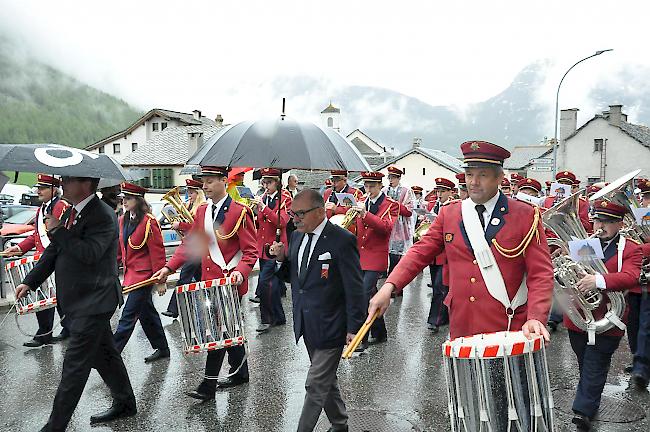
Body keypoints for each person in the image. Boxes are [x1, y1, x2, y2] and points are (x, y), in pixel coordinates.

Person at [368, 140, 554, 342]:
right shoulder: (450, 213)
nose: (473, 182)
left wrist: (536, 316)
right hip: (462, 325)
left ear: (500, 177)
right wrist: (389, 286)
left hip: (508, 327)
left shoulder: (525, 215)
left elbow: (540, 273)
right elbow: (420, 252)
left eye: (482, 175)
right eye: (469, 174)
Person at [15, 176, 135, 430]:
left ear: (86, 184)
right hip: (81, 300)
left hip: (95, 300)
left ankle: (54, 426)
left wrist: (58, 230)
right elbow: (55, 251)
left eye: (68, 181)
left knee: (74, 366)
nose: (63, 185)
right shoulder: (73, 210)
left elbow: (90, 253)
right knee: (105, 355)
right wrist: (30, 281)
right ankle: (125, 403)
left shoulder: (103, 215)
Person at [153, 166, 258, 400]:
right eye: (204, 182)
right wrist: (169, 268)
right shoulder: (202, 212)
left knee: (218, 331)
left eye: (210, 181)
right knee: (228, 327)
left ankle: (208, 386)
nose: (205, 186)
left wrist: (241, 272)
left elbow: (251, 252)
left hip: (229, 282)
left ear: (224, 181)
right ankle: (241, 373)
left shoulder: (240, 212)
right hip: (209, 282)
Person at [269, 189, 364, 432]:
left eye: (300, 213)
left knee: (314, 384)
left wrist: (355, 328)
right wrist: (281, 259)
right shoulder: (297, 237)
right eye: (292, 214)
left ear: (320, 211)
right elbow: (296, 278)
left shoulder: (341, 240)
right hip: (306, 322)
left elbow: (354, 288)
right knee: (325, 381)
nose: (295, 219)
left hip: (332, 324)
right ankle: (340, 424)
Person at [565, 200, 642, 431]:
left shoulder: (630, 248)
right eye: (598, 220)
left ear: (620, 223)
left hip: (610, 318)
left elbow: (631, 276)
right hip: (579, 317)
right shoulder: (586, 244)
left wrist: (597, 280)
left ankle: (582, 412)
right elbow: (569, 272)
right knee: (585, 363)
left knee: (595, 363)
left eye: (608, 221)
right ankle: (589, 398)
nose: (601, 225)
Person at [4, 174, 71, 347]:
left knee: (61, 299)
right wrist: (18, 248)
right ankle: (44, 333)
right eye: (38, 187)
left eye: (42, 187)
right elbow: (36, 235)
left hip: (56, 259)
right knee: (44, 299)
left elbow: (58, 234)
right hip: (45, 260)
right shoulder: (42, 208)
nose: (38, 190)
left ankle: (67, 329)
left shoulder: (61, 206)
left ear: (53, 189)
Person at [113, 182, 170, 362]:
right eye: (123, 199)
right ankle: (162, 348)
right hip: (131, 275)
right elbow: (120, 248)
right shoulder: (122, 219)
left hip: (146, 277)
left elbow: (157, 251)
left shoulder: (149, 221)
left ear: (138, 200)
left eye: (128, 199)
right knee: (147, 314)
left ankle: (111, 355)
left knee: (128, 316)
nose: (124, 202)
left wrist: (161, 280)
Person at [349, 171, 398, 350]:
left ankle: (360, 338)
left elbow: (386, 228)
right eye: (366, 185)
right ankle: (380, 332)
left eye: (372, 186)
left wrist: (365, 215)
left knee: (362, 295)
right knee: (371, 296)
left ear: (380, 186)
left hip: (376, 257)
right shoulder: (361, 202)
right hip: (359, 256)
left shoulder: (391, 205)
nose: (368, 189)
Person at [250, 167, 291, 333]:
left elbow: (282, 222)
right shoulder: (264, 198)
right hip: (263, 247)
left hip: (276, 247)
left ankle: (266, 319)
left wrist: (264, 208)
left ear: (277, 182)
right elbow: (260, 223)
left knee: (264, 282)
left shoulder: (285, 198)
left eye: (269, 182)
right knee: (272, 285)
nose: (265, 185)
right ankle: (279, 317)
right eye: (264, 182)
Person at [161, 178, 205, 318]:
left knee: (184, 277)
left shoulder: (201, 207)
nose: (189, 195)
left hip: (197, 249)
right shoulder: (188, 206)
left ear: (199, 193)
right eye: (188, 192)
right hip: (191, 247)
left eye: (192, 192)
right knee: (201, 280)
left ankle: (174, 309)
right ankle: (198, 306)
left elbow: (196, 228)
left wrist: (180, 225)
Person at [626, 180, 650, 385]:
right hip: (633, 281)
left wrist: (640, 250)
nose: (647, 202)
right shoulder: (635, 219)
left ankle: (642, 366)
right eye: (645, 197)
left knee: (646, 324)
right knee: (632, 324)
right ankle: (637, 357)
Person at [426, 177, 456, 332]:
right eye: (438, 191)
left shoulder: (453, 207)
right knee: (439, 287)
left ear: (451, 192)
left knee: (439, 288)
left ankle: (434, 320)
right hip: (434, 255)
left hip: (446, 253)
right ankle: (444, 317)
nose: (439, 194)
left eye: (443, 191)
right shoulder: (433, 206)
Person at [384, 166, 415, 275]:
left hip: (400, 230)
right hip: (386, 227)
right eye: (389, 178)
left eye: (393, 178)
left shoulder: (406, 191)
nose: (391, 180)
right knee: (384, 253)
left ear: (398, 178)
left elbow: (409, 211)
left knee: (395, 257)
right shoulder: (384, 190)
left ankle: (394, 278)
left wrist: (394, 205)